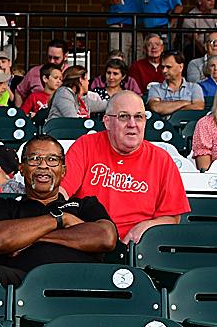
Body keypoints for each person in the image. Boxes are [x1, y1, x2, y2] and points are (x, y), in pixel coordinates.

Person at [0, 135, 118, 285]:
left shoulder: (85, 205)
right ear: (22, 168)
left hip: (84, 284)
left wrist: (32, 238)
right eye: (34, 159)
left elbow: (106, 237)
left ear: (63, 170)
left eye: (52, 160)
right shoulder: (5, 206)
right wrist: (60, 219)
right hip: (23, 286)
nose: (43, 166)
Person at [61, 91, 190, 243]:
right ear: (107, 121)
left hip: (136, 247)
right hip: (88, 240)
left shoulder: (161, 160)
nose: (132, 124)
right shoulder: (85, 146)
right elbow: (62, 192)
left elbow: (172, 217)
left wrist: (147, 226)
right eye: (123, 116)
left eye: (139, 117)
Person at [147, 51, 205, 116]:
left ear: (181, 67)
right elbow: (155, 107)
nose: (164, 70)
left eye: (168, 67)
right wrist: (185, 103)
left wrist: (168, 110)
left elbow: (198, 107)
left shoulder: (194, 87)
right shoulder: (155, 88)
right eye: (162, 67)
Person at [15, 40, 68, 105]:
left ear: (65, 56)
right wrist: (19, 113)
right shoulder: (34, 72)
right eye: (49, 57)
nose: (51, 61)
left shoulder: (70, 74)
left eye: (56, 58)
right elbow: (19, 92)